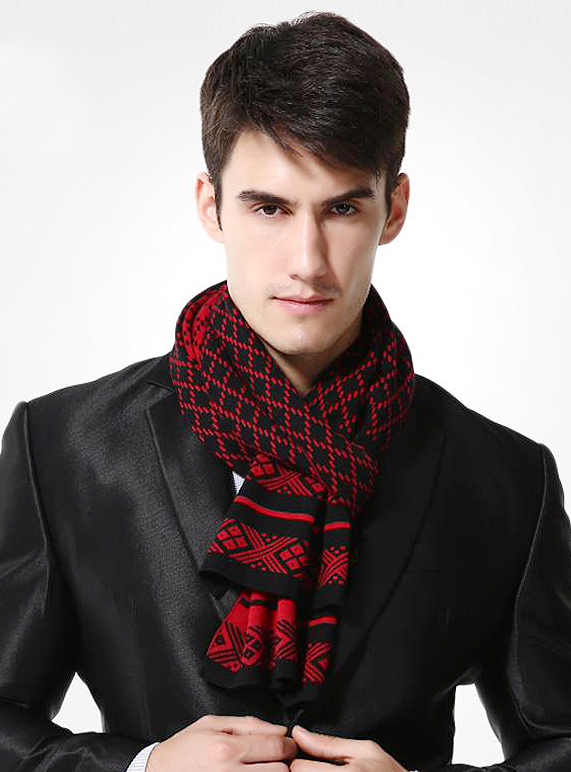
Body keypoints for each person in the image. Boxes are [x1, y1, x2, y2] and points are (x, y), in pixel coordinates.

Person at [0, 10, 570, 772]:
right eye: (267, 207)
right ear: (210, 205)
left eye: (342, 208)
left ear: (394, 209)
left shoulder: (503, 478)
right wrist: (142, 768)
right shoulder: (65, 447)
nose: (307, 259)